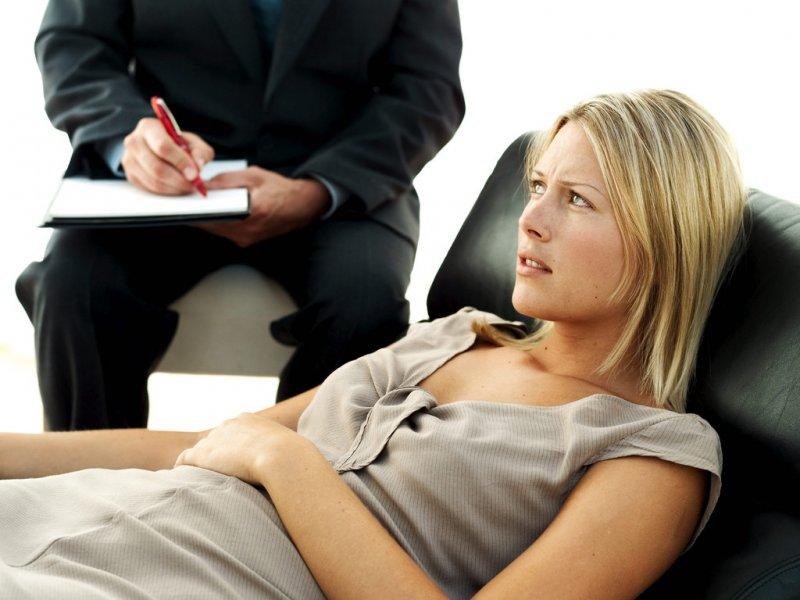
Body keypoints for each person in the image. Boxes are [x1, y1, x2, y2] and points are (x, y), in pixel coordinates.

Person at [0, 90, 746, 598]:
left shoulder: (651, 455)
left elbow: (264, 447)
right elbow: (204, 445)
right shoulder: (460, 338)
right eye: (538, 186)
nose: (530, 220)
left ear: (664, 240)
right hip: (85, 516)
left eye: (577, 200)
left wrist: (287, 463)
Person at [15, 0, 465, 431]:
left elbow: (428, 89)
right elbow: (74, 45)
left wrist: (318, 190)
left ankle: (301, 476)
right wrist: (128, 138)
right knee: (73, 285)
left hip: (340, 181)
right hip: (168, 179)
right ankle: (91, 475)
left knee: (364, 301)